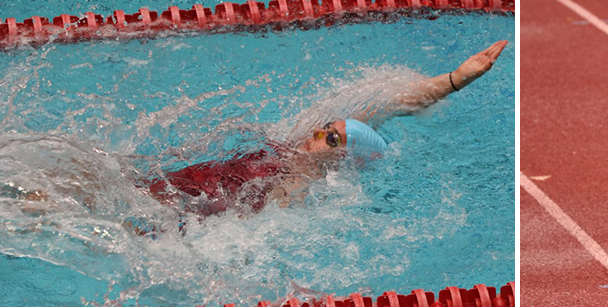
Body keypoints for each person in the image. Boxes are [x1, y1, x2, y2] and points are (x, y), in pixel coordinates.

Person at [144, 40, 509, 219]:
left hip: (188, 209)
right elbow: (395, 103)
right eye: (324, 129)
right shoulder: (294, 147)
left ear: (343, 158)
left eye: (330, 139)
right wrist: (456, 79)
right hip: (185, 181)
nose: (317, 135)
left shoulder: (297, 192)